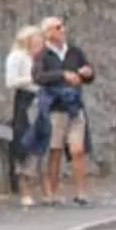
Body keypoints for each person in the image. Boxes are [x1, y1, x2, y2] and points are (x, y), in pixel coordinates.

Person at [36, 16, 99, 206]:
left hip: (74, 106)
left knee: (78, 150)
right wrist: (62, 74)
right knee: (55, 151)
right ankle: (52, 193)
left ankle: (81, 192)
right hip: (55, 108)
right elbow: (38, 77)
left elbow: (87, 72)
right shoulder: (43, 55)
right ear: (48, 33)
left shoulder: (74, 51)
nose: (62, 30)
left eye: (62, 26)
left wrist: (88, 73)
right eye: (58, 27)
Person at [4, 24, 49, 205]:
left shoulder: (39, 58)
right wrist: (33, 79)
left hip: (42, 98)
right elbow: (11, 82)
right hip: (26, 100)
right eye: (36, 40)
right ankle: (25, 191)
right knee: (24, 143)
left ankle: (47, 191)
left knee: (43, 142)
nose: (39, 43)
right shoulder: (17, 57)